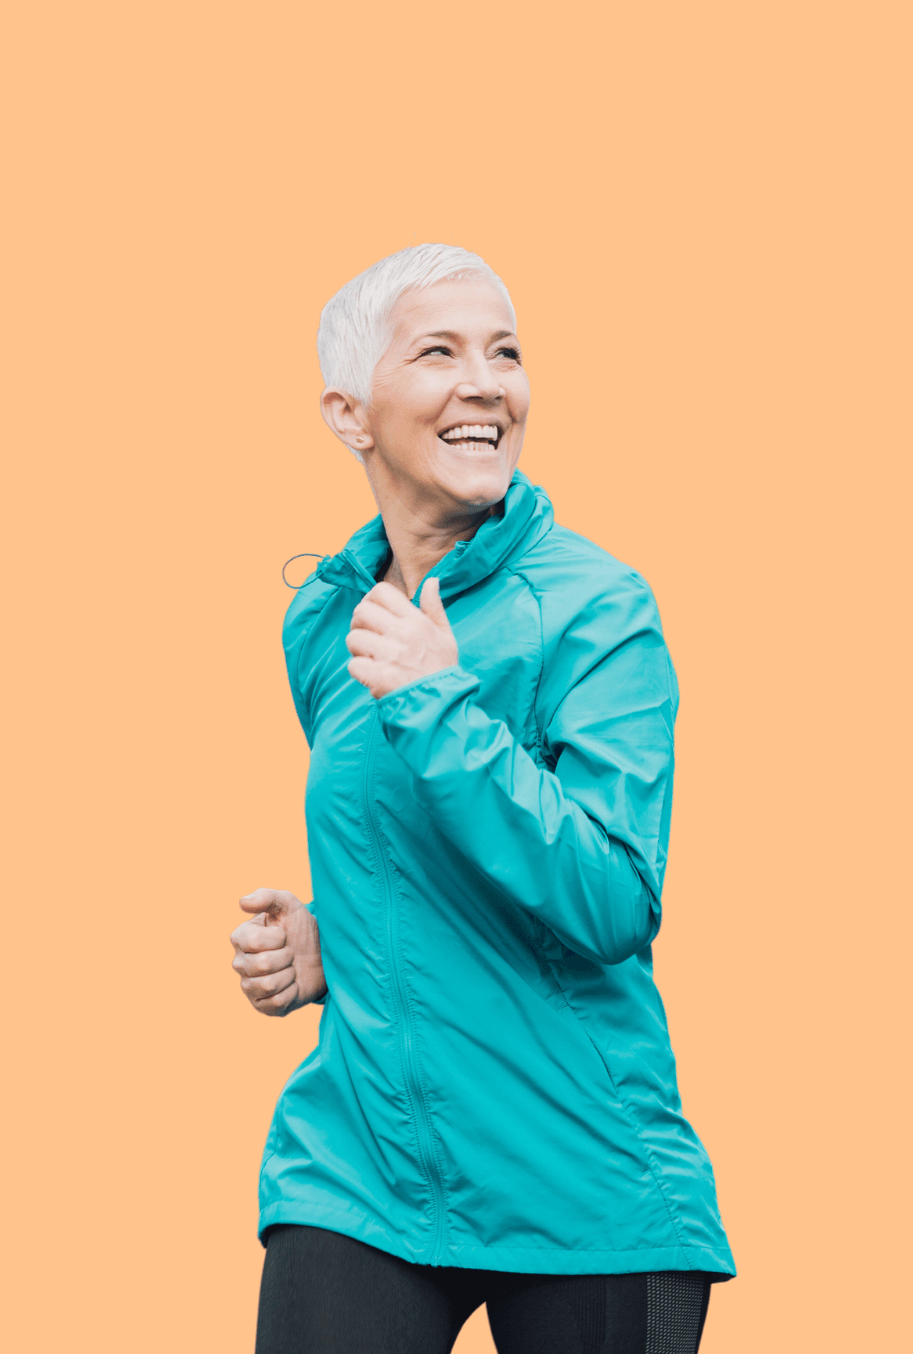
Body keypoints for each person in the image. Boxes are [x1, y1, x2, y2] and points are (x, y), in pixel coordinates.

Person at [228, 244, 732, 1354]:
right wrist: (337, 944)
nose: (486, 383)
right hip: (360, 1166)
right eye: (440, 352)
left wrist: (439, 702)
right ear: (349, 411)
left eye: (505, 353)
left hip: (578, 1175)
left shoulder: (597, 608)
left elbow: (610, 896)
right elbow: (406, 849)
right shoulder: (327, 625)